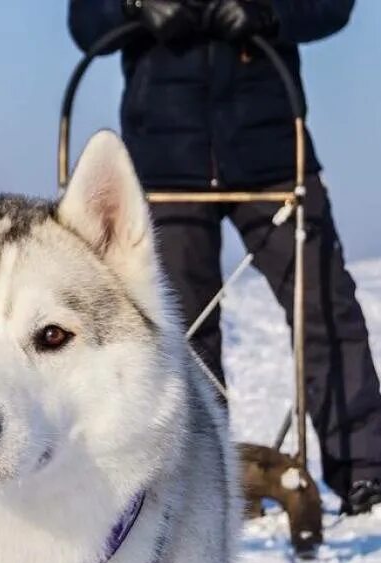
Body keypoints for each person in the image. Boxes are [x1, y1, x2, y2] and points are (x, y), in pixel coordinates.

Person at [68, 0, 381, 515]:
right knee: (181, 330)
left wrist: (268, 12)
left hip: (274, 153)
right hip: (166, 161)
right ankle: (202, 480)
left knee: (325, 308)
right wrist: (136, 6)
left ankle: (364, 473)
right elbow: (85, 22)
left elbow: (331, 7)